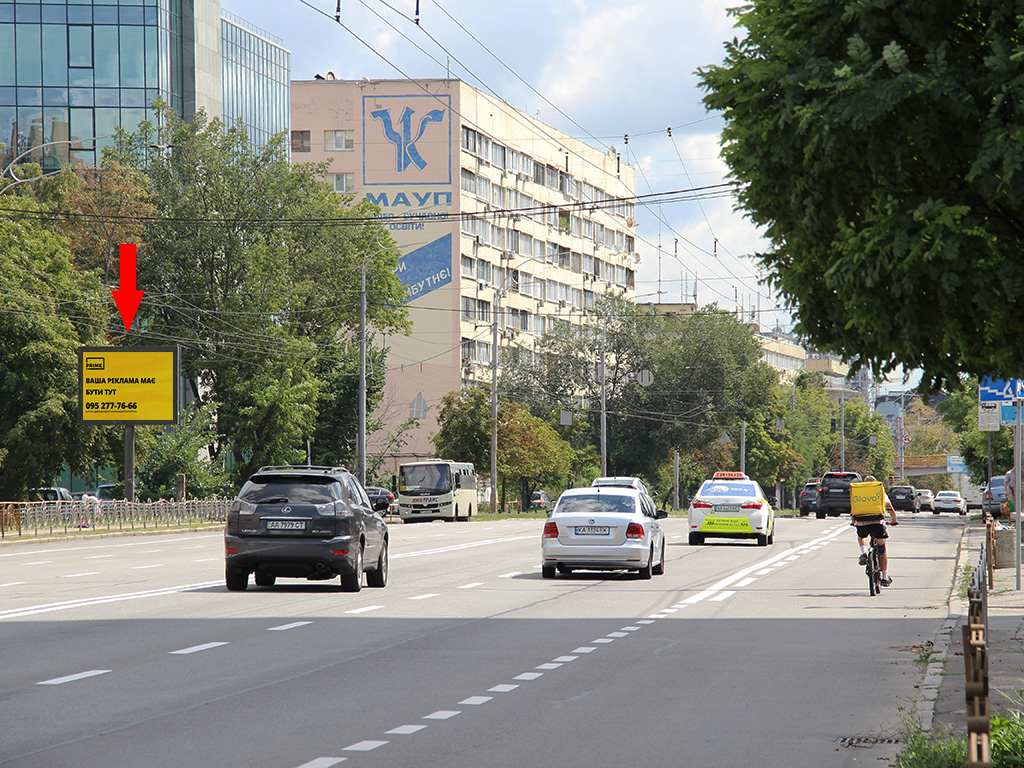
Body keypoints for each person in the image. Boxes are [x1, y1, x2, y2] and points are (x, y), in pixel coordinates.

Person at [853, 475, 899, 587]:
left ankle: (863, 553)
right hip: (877, 523)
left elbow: (854, 508)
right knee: (882, 549)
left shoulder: (859, 492)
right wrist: (894, 520)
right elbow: (889, 507)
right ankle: (884, 577)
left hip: (862, 522)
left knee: (862, 536)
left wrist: (853, 521)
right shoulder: (879, 491)